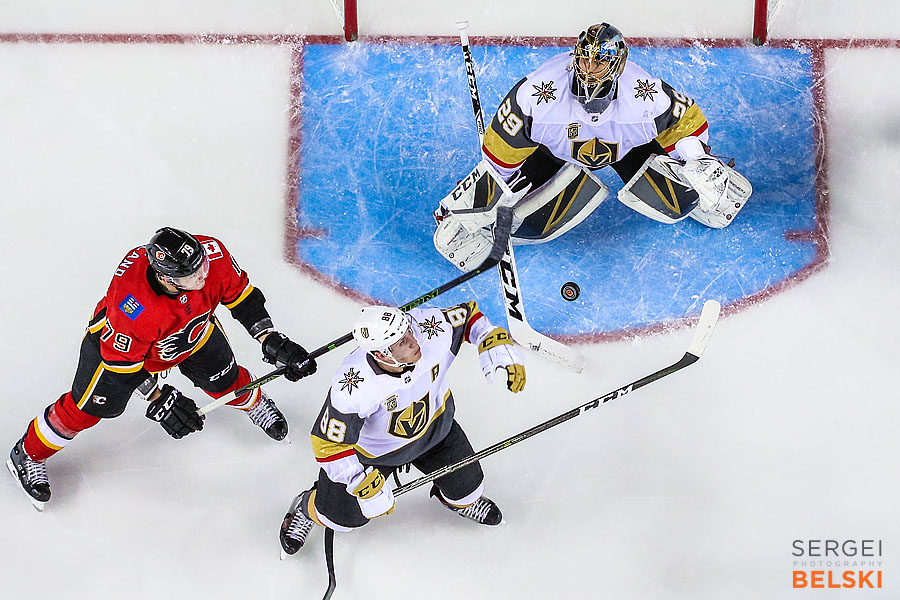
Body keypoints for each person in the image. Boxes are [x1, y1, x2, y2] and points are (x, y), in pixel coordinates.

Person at [7, 227, 317, 511]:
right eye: (193, 274)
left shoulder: (211, 255)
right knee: (84, 411)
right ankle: (29, 452)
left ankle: (255, 403)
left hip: (193, 333)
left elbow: (242, 296)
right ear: (167, 278)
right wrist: (158, 399)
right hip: (120, 352)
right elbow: (122, 364)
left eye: (202, 265)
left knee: (228, 381)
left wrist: (271, 339)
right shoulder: (133, 304)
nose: (204, 275)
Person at [433, 22, 752, 270]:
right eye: (583, 60)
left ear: (619, 65)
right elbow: (501, 153)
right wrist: (466, 203)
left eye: (599, 63)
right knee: (517, 211)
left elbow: (685, 122)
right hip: (552, 151)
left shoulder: (644, 94)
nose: (588, 70)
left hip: (627, 149)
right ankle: (481, 226)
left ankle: (702, 191)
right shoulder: (537, 96)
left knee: (683, 195)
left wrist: (698, 161)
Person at [278, 301, 526, 555]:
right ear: (381, 354)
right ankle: (307, 506)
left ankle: (456, 502)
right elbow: (327, 443)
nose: (413, 341)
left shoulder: (428, 329)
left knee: (468, 491)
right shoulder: (353, 386)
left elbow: (469, 315)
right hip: (374, 457)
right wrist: (358, 480)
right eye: (400, 343)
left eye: (408, 332)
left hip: (436, 432)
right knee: (340, 518)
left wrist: (490, 338)